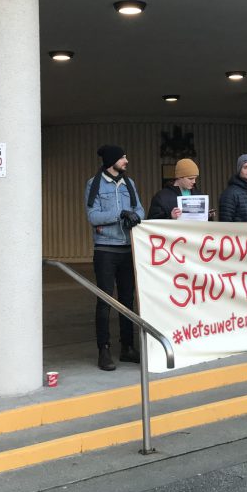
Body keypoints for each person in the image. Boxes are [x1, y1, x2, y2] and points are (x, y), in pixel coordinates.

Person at [84, 144, 145, 371]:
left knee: (127, 301)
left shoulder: (129, 183)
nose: (126, 161)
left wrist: (135, 216)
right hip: (105, 250)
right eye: (123, 157)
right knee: (105, 301)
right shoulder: (95, 184)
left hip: (128, 248)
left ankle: (127, 347)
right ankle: (104, 349)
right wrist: (119, 214)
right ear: (112, 160)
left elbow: (140, 209)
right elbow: (93, 216)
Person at [218, 154, 247, 222]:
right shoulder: (229, 193)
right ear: (239, 169)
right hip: (239, 233)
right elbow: (225, 222)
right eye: (245, 167)